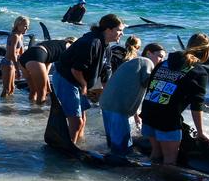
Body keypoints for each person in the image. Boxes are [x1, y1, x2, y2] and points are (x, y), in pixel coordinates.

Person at [140, 33, 209, 165]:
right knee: (169, 161)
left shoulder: (164, 63)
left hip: (148, 114)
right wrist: (200, 133)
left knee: (156, 154)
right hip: (167, 120)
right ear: (206, 52)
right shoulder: (199, 72)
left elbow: (151, 88)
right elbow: (197, 105)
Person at [52, 14, 124, 143]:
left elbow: (105, 75)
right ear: (108, 30)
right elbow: (76, 69)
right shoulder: (91, 42)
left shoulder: (107, 47)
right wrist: (84, 85)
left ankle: (78, 144)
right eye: (119, 30)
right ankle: (68, 149)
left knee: (83, 119)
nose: (122, 34)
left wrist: (111, 97)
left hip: (78, 81)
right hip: (66, 78)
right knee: (76, 121)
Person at [99, 43, 166, 156]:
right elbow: (150, 84)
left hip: (107, 103)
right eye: (160, 56)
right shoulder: (147, 62)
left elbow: (130, 89)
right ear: (149, 53)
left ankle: (107, 165)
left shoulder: (135, 62)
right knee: (123, 149)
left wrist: (136, 115)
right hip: (118, 107)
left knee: (112, 143)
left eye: (164, 57)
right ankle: (120, 169)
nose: (162, 60)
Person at [19, 37, 76, 104]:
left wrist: (49, 87)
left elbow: (45, 72)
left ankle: (30, 107)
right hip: (37, 57)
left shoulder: (53, 46)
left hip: (23, 58)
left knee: (33, 91)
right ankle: (38, 112)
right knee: (42, 93)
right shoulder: (69, 47)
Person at [0, 16, 29, 97]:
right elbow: (13, 54)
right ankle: (1, 108)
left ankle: (8, 107)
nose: (27, 28)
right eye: (25, 25)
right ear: (18, 25)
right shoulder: (14, 36)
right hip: (7, 63)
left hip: (13, 63)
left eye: (27, 26)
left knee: (12, 88)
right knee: (6, 89)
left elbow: (21, 53)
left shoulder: (21, 36)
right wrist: (18, 70)